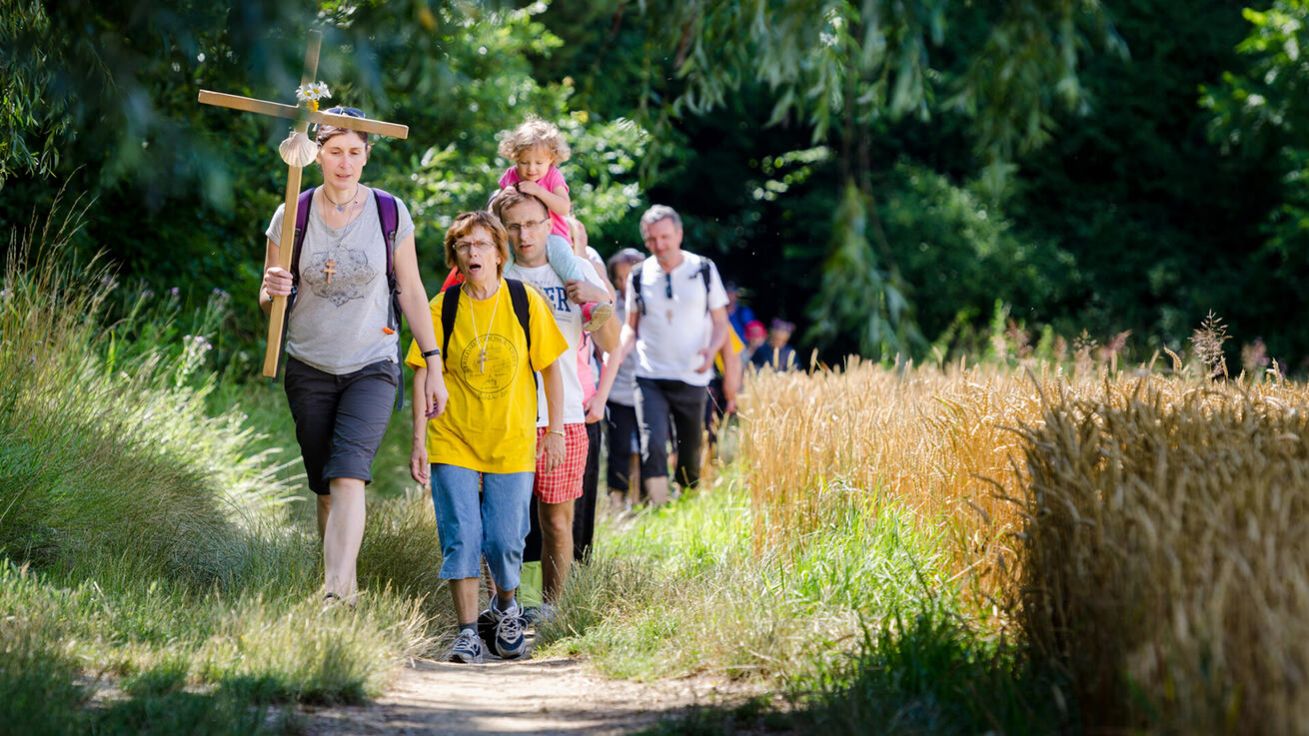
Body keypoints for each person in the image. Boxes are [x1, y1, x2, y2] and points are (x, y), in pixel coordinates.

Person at [260, 106, 447, 606]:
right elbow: (269, 295)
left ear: (368, 155)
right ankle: (342, 582)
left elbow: (409, 289)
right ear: (317, 153)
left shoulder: (389, 211)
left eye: (354, 152)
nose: (344, 162)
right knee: (325, 484)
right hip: (309, 364)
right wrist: (273, 286)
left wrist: (432, 359)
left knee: (348, 474)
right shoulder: (291, 212)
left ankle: (336, 594)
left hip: (373, 362)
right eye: (335, 151)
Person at [407, 211, 569, 664]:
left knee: (504, 539)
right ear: (456, 257)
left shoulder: (525, 301)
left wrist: (553, 430)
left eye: (481, 245)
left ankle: (505, 607)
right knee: (461, 535)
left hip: (512, 438)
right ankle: (465, 632)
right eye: (463, 246)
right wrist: (419, 440)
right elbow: (421, 375)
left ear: (500, 253)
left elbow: (552, 370)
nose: (472, 253)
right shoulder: (443, 307)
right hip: (453, 437)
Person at [495, 188, 619, 618]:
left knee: (557, 522)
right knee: (504, 524)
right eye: (514, 226)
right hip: (505, 415)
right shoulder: (498, 273)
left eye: (532, 224)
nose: (524, 234)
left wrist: (596, 299)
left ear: (550, 226)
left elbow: (610, 343)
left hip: (563, 415)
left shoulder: (576, 269)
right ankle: (508, 604)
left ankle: (554, 609)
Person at [607, 205, 730, 505]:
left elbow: (720, 322)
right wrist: (618, 352)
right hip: (650, 375)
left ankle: (687, 505)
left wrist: (711, 350)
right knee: (654, 444)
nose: (659, 245)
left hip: (693, 375)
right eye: (651, 240)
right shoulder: (638, 275)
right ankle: (660, 509)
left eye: (665, 237)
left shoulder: (703, 269)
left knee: (689, 448)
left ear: (679, 234)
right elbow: (631, 327)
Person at [497, 117, 611, 332]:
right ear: (515, 158)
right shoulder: (511, 176)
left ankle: (588, 307)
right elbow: (494, 209)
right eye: (524, 162)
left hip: (554, 236)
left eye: (539, 163)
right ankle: (492, 302)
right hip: (518, 236)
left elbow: (563, 207)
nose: (531, 169)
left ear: (552, 159)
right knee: (502, 263)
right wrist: (504, 196)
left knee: (567, 265)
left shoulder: (553, 176)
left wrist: (540, 191)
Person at [587, 247, 645, 511]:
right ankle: (617, 500)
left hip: (648, 386)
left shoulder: (652, 304)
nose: (625, 284)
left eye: (630, 277)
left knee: (647, 448)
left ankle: (643, 498)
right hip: (619, 389)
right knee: (619, 449)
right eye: (619, 279)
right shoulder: (613, 304)